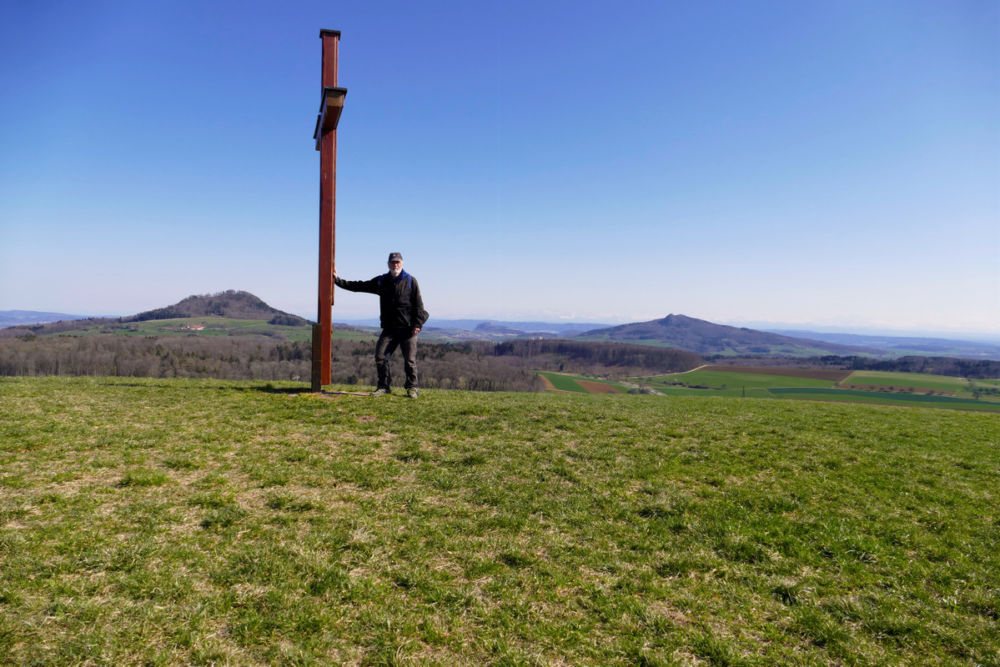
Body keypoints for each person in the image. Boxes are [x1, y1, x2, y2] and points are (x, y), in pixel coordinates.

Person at [333, 252, 429, 398]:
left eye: (397, 262)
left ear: (402, 263)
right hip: (389, 329)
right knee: (380, 356)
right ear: (388, 264)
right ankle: (384, 386)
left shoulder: (411, 281)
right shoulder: (382, 281)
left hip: (408, 329)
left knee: (410, 360)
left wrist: (418, 324)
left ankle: (412, 388)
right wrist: (338, 281)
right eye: (392, 262)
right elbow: (360, 286)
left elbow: (419, 306)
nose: (395, 265)